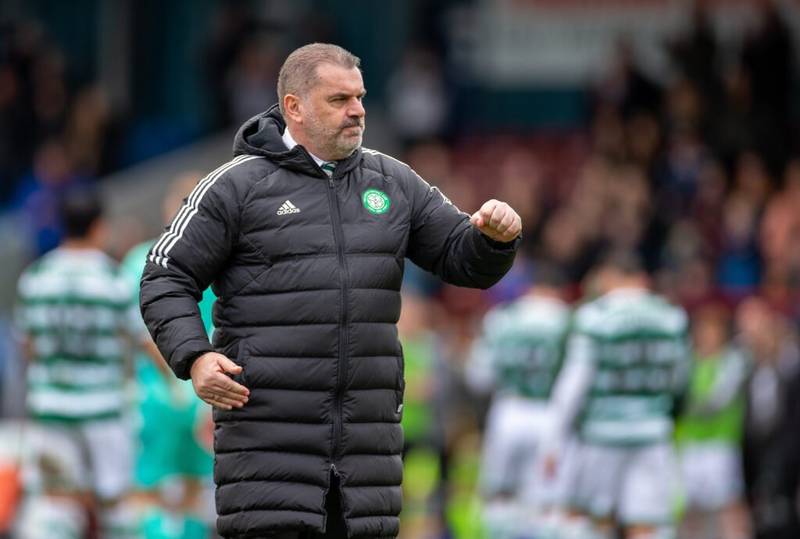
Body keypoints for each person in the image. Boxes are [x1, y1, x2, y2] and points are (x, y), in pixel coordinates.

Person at [139, 43, 522, 539]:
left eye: (359, 97)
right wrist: (194, 358)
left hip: (367, 463)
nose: (358, 110)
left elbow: (461, 257)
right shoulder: (235, 186)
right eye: (339, 100)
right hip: (267, 460)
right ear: (294, 107)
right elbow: (164, 275)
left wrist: (495, 239)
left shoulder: (394, 181)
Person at [14, 188, 144, 538]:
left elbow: (28, 345)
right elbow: (141, 340)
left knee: (55, 505)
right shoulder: (114, 280)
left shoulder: (36, 277)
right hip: (104, 408)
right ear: (99, 227)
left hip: (52, 407)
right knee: (115, 505)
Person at [543, 252, 691, 539]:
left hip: (603, 435)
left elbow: (573, 385)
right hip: (652, 435)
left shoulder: (594, 316)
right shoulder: (672, 318)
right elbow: (680, 381)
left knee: (597, 522)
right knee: (647, 525)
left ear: (612, 277)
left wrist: (554, 439)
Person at [121, 173, 216, 539]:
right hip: (186, 396)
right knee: (165, 488)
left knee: (183, 488)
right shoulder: (143, 262)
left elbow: (139, 335)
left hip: (180, 395)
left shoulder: (142, 261)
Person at [466, 262, 572, 537]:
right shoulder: (567, 321)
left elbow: (478, 376)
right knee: (545, 501)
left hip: (509, 411)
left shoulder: (503, 317)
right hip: (550, 413)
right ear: (558, 291)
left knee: (500, 495)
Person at [674, 303, 751, 539]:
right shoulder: (687, 360)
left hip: (720, 445)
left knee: (729, 507)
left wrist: (685, 406)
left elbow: (716, 402)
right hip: (687, 445)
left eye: (712, 330)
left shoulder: (733, 361)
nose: (706, 335)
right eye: (702, 329)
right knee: (688, 511)